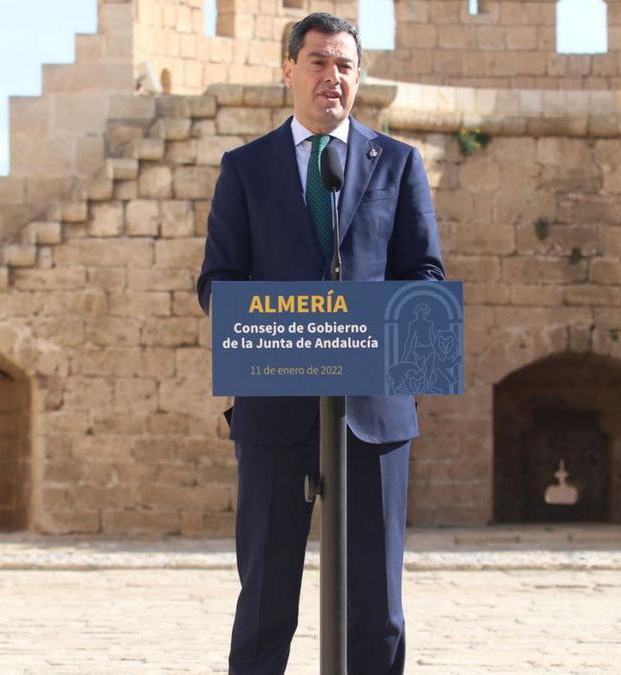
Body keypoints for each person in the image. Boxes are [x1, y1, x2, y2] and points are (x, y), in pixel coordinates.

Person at [196, 12, 445, 674]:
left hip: (372, 414)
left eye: (345, 65)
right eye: (318, 62)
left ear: (358, 77)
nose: (332, 77)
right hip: (276, 412)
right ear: (288, 71)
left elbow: (425, 280)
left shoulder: (398, 164)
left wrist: (360, 323)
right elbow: (217, 284)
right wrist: (291, 323)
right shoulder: (245, 170)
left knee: (379, 608)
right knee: (264, 605)